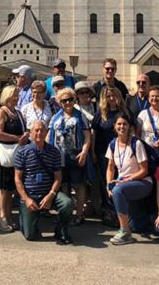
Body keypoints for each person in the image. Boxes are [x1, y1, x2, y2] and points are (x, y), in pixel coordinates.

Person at [14, 120, 74, 244]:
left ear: (47, 132)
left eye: (42, 130)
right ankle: (26, 219)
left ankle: (61, 230)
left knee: (67, 203)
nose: (39, 133)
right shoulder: (22, 152)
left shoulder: (54, 152)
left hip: (48, 193)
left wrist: (51, 195)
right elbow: (18, 178)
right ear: (30, 132)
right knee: (30, 235)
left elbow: (58, 177)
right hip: (30, 195)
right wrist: (26, 199)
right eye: (36, 130)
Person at [106, 113, 153, 245]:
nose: (122, 127)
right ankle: (126, 228)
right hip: (123, 183)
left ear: (129, 127)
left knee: (118, 190)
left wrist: (127, 180)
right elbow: (110, 168)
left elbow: (144, 170)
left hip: (142, 182)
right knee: (115, 189)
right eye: (119, 124)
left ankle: (125, 232)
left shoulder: (136, 143)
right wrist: (108, 184)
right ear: (114, 126)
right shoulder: (112, 144)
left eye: (125, 124)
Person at [48, 87, 92, 226]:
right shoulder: (56, 117)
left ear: (74, 100)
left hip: (75, 155)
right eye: (64, 100)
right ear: (60, 102)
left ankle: (79, 214)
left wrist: (84, 151)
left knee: (78, 185)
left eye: (70, 99)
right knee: (64, 185)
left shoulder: (80, 116)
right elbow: (50, 135)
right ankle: (66, 213)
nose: (67, 103)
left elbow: (87, 136)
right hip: (59, 157)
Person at [0, 85, 30, 232]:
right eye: (14, 95)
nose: (17, 97)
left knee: (10, 188)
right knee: (3, 188)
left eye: (17, 95)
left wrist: (25, 134)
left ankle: (9, 216)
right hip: (4, 155)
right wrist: (17, 138)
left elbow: (23, 129)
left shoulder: (18, 113)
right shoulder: (0, 112)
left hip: (16, 154)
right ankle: (2, 216)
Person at [91, 85, 129, 221]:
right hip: (102, 152)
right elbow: (94, 132)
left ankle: (120, 209)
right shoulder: (101, 113)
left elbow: (130, 130)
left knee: (120, 180)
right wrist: (93, 151)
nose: (111, 98)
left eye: (113, 96)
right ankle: (108, 209)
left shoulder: (124, 112)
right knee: (106, 182)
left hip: (121, 153)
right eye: (108, 96)